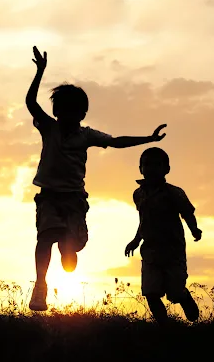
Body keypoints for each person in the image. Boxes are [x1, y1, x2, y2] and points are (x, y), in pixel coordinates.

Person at [26, 46, 168, 311]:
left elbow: (116, 142)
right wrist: (40, 72)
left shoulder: (87, 135)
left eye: (74, 112)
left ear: (82, 115)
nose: (68, 117)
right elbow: (32, 104)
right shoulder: (49, 128)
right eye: (63, 111)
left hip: (75, 200)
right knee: (44, 238)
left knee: (71, 254)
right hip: (49, 197)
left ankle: (68, 248)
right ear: (56, 112)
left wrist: (148, 138)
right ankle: (40, 285)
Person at [125, 147, 202, 324]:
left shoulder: (174, 193)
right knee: (151, 292)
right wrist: (136, 240)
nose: (151, 168)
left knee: (174, 292)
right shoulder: (139, 194)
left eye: (156, 165)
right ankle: (164, 327)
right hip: (150, 251)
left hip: (173, 251)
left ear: (166, 169)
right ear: (140, 168)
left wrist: (194, 229)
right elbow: (143, 220)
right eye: (147, 164)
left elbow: (187, 213)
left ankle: (183, 296)